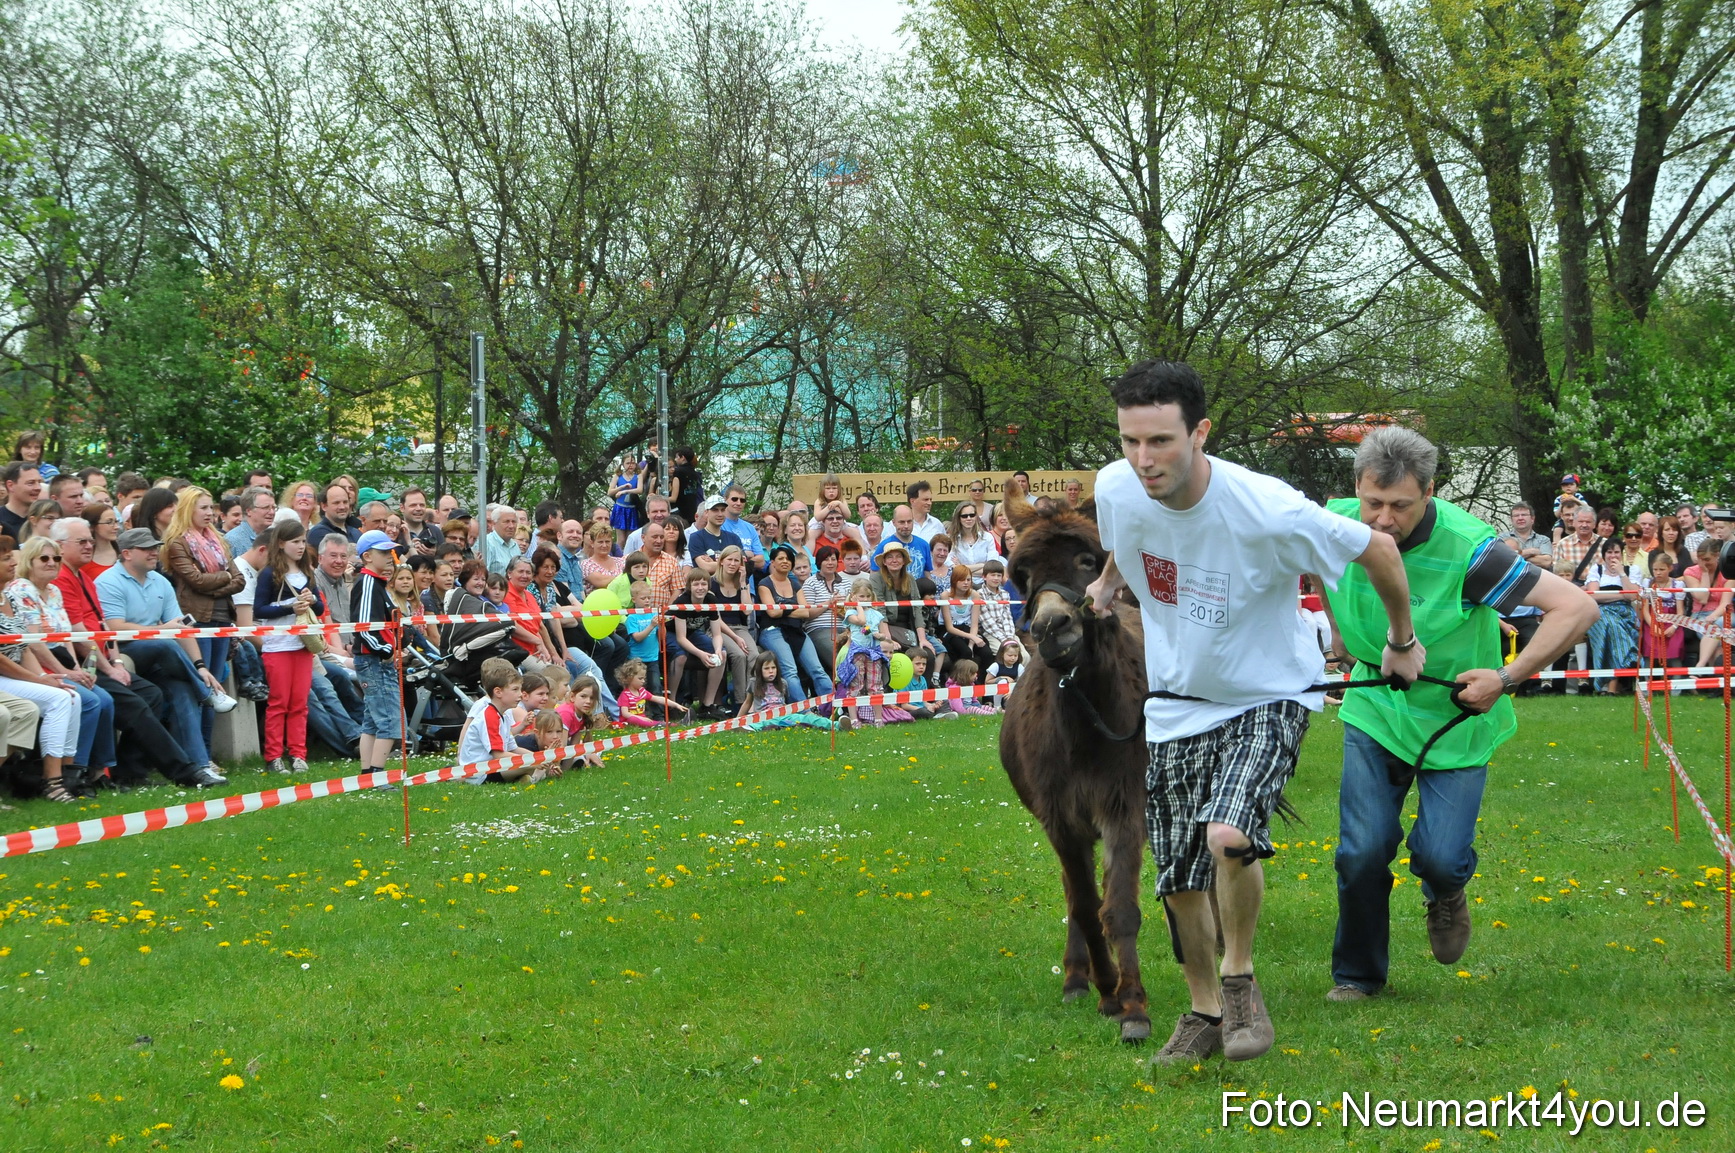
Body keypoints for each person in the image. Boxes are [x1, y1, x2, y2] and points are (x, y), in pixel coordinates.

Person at [1080, 360, 1423, 1066]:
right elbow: (1125, 534)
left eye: (1160, 441)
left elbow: (1380, 549)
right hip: (1177, 701)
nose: (1143, 460)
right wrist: (1109, 582)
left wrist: (1400, 641)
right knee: (1178, 877)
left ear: (1200, 431)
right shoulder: (1115, 486)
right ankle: (1204, 1010)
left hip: (1268, 692)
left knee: (1229, 836)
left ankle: (1239, 980)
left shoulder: (1268, 507)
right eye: (1130, 441)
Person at [1318, 426, 1597, 1008]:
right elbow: (1320, 571)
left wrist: (1506, 678)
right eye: (1373, 502)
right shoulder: (1333, 523)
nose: (1384, 520)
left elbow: (1576, 607)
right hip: (1376, 706)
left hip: (1456, 716)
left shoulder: (1472, 552)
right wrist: (1341, 631)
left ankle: (1446, 891)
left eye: (1401, 505)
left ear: (1430, 492)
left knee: (1441, 858)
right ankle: (1357, 976)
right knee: (1361, 850)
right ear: (1356, 487)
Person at [52, 517, 219, 788]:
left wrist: (116, 662)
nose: (89, 546)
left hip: (106, 658)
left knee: (155, 693)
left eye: (90, 541)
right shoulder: (72, 579)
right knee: (154, 663)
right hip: (88, 663)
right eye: (81, 541)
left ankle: (132, 772)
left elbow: (103, 628)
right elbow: (84, 632)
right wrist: (111, 667)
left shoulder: (84, 577)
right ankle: (185, 770)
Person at [96, 528, 239, 782]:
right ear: (127, 554)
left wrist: (200, 666)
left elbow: (181, 628)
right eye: (147, 549)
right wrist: (160, 630)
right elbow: (115, 628)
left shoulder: (160, 581)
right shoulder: (108, 581)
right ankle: (207, 693)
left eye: (155, 547)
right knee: (164, 644)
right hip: (121, 651)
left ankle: (199, 766)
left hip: (158, 652)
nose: (155, 552)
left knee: (182, 690)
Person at [6, 535, 116, 794]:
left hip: (59, 659)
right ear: (29, 561)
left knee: (106, 700)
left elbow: (66, 636)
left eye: (56, 558)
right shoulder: (21, 589)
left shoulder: (54, 590)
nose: (51, 562)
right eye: (44, 558)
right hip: (38, 661)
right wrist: (65, 672)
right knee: (88, 701)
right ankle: (71, 773)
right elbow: (34, 643)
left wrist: (77, 669)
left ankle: (90, 771)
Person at [163, 487, 247, 760]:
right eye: (203, 508)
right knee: (203, 687)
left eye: (211, 507)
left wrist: (216, 583)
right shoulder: (177, 543)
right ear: (188, 509)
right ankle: (196, 755)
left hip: (222, 618)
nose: (210, 513)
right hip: (198, 619)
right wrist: (224, 578)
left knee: (216, 687)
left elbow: (240, 580)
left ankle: (207, 755)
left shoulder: (218, 540)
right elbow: (196, 581)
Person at [254, 521, 324, 774]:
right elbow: (259, 609)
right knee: (279, 702)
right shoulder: (269, 574)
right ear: (281, 544)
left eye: (303, 541)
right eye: (295, 542)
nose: (301, 546)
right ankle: (273, 756)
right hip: (278, 645)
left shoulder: (307, 572)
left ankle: (298, 754)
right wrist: (289, 607)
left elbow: (320, 609)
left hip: (302, 645)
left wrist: (312, 600)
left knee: (299, 703)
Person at [350, 529, 403, 775]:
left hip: (375, 659)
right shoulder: (368, 583)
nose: (390, 556)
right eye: (383, 552)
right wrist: (386, 651)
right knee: (390, 720)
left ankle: (367, 775)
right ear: (367, 556)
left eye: (390, 551)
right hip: (374, 660)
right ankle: (376, 774)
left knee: (372, 720)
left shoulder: (376, 583)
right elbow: (364, 626)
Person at [757, 542, 833, 701]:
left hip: (796, 631)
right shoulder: (765, 584)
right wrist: (792, 607)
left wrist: (783, 608)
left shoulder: (795, 584)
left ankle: (832, 706)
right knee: (790, 671)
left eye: (788, 559)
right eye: (781, 558)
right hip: (772, 630)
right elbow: (772, 612)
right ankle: (802, 710)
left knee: (817, 669)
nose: (785, 561)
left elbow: (805, 612)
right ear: (773, 562)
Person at [457, 659, 544, 783]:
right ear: (498, 692)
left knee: (538, 765)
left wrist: (540, 758)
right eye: (515, 689)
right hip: (480, 773)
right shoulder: (489, 716)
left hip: (494, 766)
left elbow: (513, 748)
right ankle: (527, 778)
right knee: (530, 765)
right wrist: (533, 761)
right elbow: (498, 754)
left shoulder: (503, 714)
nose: (520, 694)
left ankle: (525, 778)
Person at [868, 539, 938, 678]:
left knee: (928, 656)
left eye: (898, 556)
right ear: (884, 561)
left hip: (908, 630)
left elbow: (917, 609)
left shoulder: (910, 579)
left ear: (904, 560)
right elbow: (879, 610)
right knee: (894, 655)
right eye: (890, 557)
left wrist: (922, 639)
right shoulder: (876, 578)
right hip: (885, 629)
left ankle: (924, 689)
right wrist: (888, 640)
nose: (894, 560)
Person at [1582, 536, 1639, 693]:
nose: (1613, 556)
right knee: (1610, 624)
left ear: (1622, 554)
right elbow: (1594, 595)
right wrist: (1622, 595)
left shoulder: (1632, 570)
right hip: (1600, 612)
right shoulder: (1596, 570)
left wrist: (1621, 573)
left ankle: (1609, 685)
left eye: (1616, 552)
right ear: (1604, 554)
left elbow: (1633, 596)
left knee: (1613, 626)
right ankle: (1626, 660)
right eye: (1609, 552)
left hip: (1624, 613)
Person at [737, 651, 849, 732]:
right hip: (763, 717)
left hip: (783, 715)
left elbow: (785, 702)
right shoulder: (753, 683)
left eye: (773, 668)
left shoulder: (783, 683)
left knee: (807, 718)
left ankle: (838, 725)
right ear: (759, 670)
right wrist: (736, 721)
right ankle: (744, 728)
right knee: (757, 723)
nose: (771, 671)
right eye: (766, 668)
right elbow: (747, 702)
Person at [670, 570, 726, 717]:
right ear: (689, 586)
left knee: (722, 654)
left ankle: (707, 705)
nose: (700, 588)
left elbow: (717, 634)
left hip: (692, 632)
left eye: (703, 584)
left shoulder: (711, 600)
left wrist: (717, 650)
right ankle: (672, 704)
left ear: (708, 586)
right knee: (680, 657)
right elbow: (681, 638)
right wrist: (701, 654)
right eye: (696, 584)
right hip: (670, 632)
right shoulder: (682, 602)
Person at [708, 545, 757, 709]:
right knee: (738, 655)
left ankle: (752, 699)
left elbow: (747, 610)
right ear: (721, 561)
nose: (733, 563)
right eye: (729, 559)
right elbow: (715, 618)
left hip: (740, 627)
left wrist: (742, 582)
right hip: (718, 628)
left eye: (737, 560)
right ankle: (740, 702)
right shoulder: (712, 583)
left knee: (754, 655)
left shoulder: (742, 582)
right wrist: (735, 638)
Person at [801, 545, 848, 676]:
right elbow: (807, 614)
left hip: (846, 627)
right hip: (820, 628)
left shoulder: (846, 583)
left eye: (833, 559)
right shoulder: (810, 583)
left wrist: (843, 610)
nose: (830, 563)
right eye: (826, 559)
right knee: (840, 657)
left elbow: (853, 609)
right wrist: (829, 603)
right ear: (819, 562)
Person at [940, 563, 992, 674]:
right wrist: (972, 638)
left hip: (968, 628)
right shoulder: (945, 595)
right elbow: (949, 627)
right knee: (965, 652)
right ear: (954, 580)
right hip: (951, 631)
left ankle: (981, 681)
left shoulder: (975, 595)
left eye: (968, 580)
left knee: (986, 652)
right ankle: (959, 679)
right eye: (962, 580)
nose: (966, 583)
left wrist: (971, 643)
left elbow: (974, 624)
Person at [1640, 549, 1685, 669]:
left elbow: (1680, 610)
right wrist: (1653, 626)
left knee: (1674, 652)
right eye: (1655, 569)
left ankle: (1677, 681)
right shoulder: (1647, 583)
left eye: (1662, 569)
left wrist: (1674, 627)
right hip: (1652, 621)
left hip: (1672, 621)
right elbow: (1645, 609)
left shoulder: (1677, 585)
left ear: (1670, 568)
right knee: (1650, 652)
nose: (1658, 573)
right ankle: (1647, 680)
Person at [556, 676, 610, 768]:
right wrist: (557, 769)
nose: (588, 701)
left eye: (592, 698)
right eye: (583, 696)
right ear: (572, 697)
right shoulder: (566, 713)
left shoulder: (581, 715)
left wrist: (565, 770)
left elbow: (574, 747)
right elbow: (562, 746)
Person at [616, 657, 686, 726]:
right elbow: (625, 713)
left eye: (644, 678)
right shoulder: (625, 695)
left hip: (643, 719)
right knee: (632, 719)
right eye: (640, 678)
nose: (643, 681)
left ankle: (668, 724)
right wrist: (640, 718)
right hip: (629, 721)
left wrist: (676, 705)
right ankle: (662, 724)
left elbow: (659, 699)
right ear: (629, 678)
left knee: (649, 721)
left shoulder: (642, 691)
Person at [686, 496, 742, 576]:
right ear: (706, 512)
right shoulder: (696, 537)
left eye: (723, 510)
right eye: (715, 510)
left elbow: (743, 565)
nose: (720, 514)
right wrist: (731, 565)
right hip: (707, 583)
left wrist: (714, 563)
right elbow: (706, 567)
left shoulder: (734, 538)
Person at [947, 500, 1000, 585]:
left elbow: (992, 567)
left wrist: (962, 567)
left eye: (972, 515)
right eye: (964, 516)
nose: (969, 518)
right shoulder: (952, 540)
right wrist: (982, 565)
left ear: (976, 517)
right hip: (962, 584)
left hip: (985, 584)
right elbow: (952, 568)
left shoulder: (987, 537)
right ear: (959, 518)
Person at [224, 486, 277, 556]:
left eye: (273, 508)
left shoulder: (274, 537)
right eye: (265, 507)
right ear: (249, 511)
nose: (272, 512)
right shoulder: (233, 540)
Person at [306, 484, 358, 552]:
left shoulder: (356, 533)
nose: (342, 507)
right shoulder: (318, 533)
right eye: (336, 503)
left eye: (345, 502)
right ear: (324, 506)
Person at [0, 461, 43, 540]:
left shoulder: (43, 519)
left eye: (39, 482)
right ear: (10, 485)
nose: (38, 488)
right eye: (31, 483)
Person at [609, 457, 645, 546]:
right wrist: (622, 487)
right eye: (628, 463)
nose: (630, 465)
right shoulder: (618, 476)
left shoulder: (638, 475)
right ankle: (618, 554)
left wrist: (625, 491)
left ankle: (629, 554)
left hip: (632, 509)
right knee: (621, 540)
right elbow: (610, 492)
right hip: (620, 509)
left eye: (633, 463)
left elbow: (640, 490)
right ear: (623, 464)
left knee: (630, 539)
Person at [482, 505, 523, 576]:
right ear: (494, 523)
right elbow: (483, 575)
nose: (511, 526)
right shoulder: (487, 543)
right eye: (506, 522)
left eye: (514, 522)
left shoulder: (515, 545)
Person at [668, 445, 703, 525]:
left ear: (683, 457)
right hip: (692, 510)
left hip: (681, 511)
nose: (675, 459)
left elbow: (674, 497)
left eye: (677, 457)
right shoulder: (694, 473)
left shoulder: (678, 472)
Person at [82, 504, 120, 576]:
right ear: (92, 526)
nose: (116, 527)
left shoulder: (125, 553)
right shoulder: (82, 559)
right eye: (109, 522)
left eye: (116, 521)